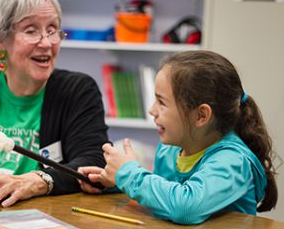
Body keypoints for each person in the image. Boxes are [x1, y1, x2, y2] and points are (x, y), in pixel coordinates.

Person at [0, 0, 108, 208]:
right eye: (31, 30)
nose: (46, 42)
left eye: (52, 29)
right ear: (1, 40)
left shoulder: (77, 90)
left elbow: (92, 162)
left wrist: (38, 181)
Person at [78, 50, 278, 225]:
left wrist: (128, 174)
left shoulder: (233, 162)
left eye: (161, 103)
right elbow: (162, 197)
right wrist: (115, 182)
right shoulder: (170, 150)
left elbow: (185, 208)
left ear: (201, 116)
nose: (151, 110)